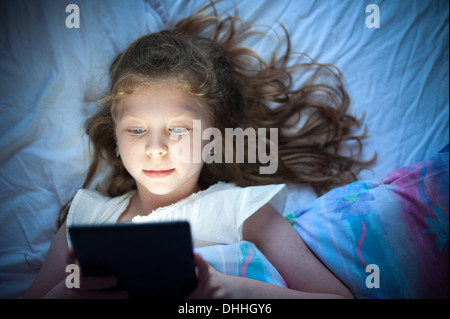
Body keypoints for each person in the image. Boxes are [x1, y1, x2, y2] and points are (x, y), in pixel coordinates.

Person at [24, 2, 372, 298]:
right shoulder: (83, 220)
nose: (155, 149)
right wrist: (66, 292)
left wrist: (240, 291)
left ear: (212, 139)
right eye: (136, 130)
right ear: (116, 137)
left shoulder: (241, 211)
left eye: (178, 129)